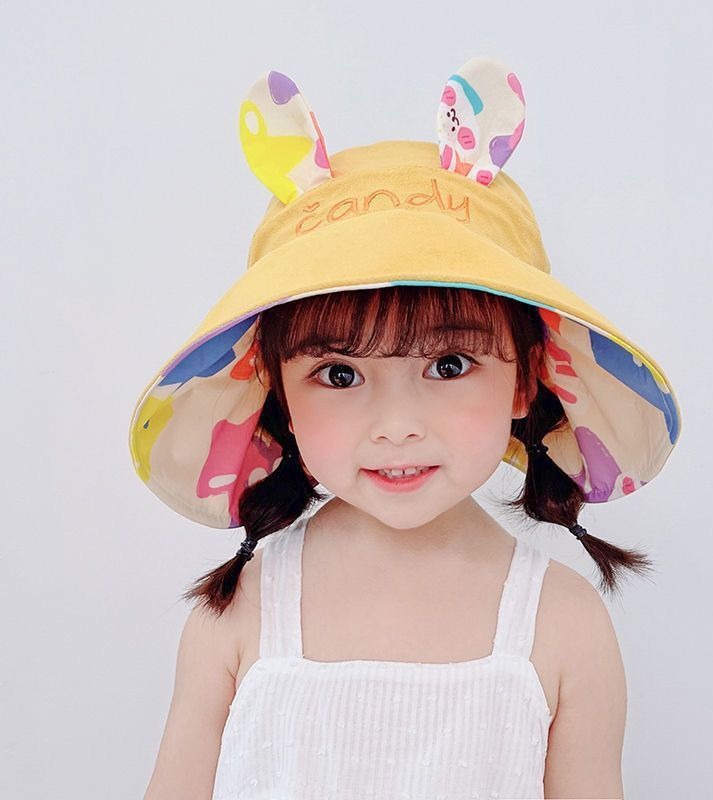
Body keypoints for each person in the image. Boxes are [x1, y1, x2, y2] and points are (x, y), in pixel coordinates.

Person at [131, 56, 682, 800]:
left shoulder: (563, 625)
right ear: (277, 393)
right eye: (339, 375)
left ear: (526, 377)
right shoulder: (235, 617)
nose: (396, 426)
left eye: (449, 365)